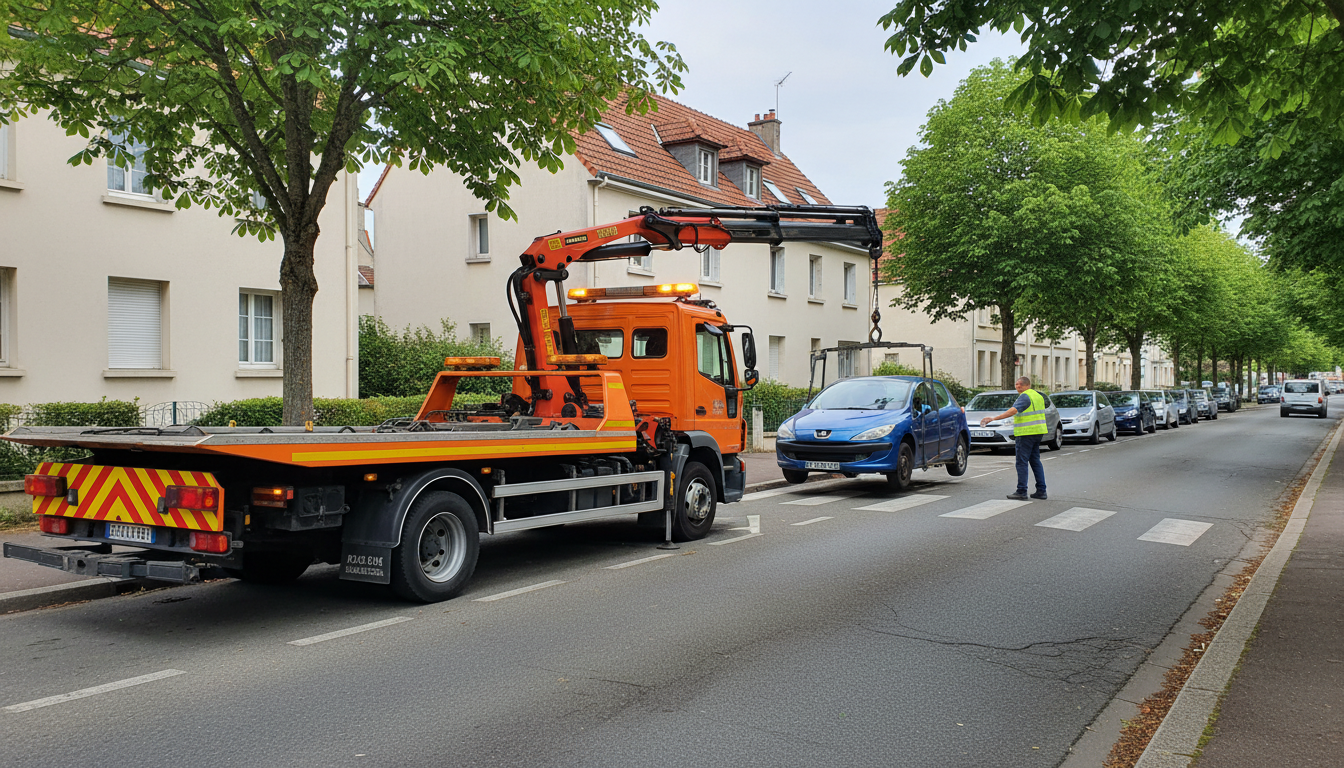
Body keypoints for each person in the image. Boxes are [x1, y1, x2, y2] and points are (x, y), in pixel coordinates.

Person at [980, 376, 1047, 501]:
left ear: (1022, 385)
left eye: (1018, 384)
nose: (1017, 386)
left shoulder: (1025, 396)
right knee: (1035, 461)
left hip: (1026, 433)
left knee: (1021, 462)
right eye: (1017, 384)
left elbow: (1013, 410)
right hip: (1038, 432)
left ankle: (1021, 491)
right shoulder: (1038, 396)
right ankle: (1041, 490)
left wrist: (994, 418)